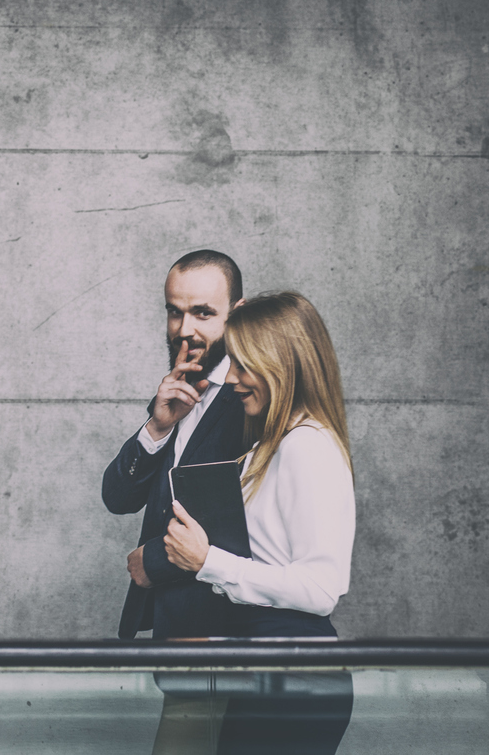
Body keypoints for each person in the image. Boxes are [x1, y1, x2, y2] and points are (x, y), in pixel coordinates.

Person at [164, 291, 355, 754]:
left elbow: (321, 588)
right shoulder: (273, 445)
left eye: (244, 365)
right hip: (267, 665)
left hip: (294, 672)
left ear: (282, 365)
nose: (232, 378)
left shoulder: (308, 447)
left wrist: (208, 561)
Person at [102, 250, 249, 641]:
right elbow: (118, 499)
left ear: (237, 315)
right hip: (173, 627)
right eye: (174, 312)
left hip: (223, 629)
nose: (184, 330)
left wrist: (154, 561)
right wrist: (157, 427)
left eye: (203, 313)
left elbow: (252, 527)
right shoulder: (175, 393)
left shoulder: (253, 400)